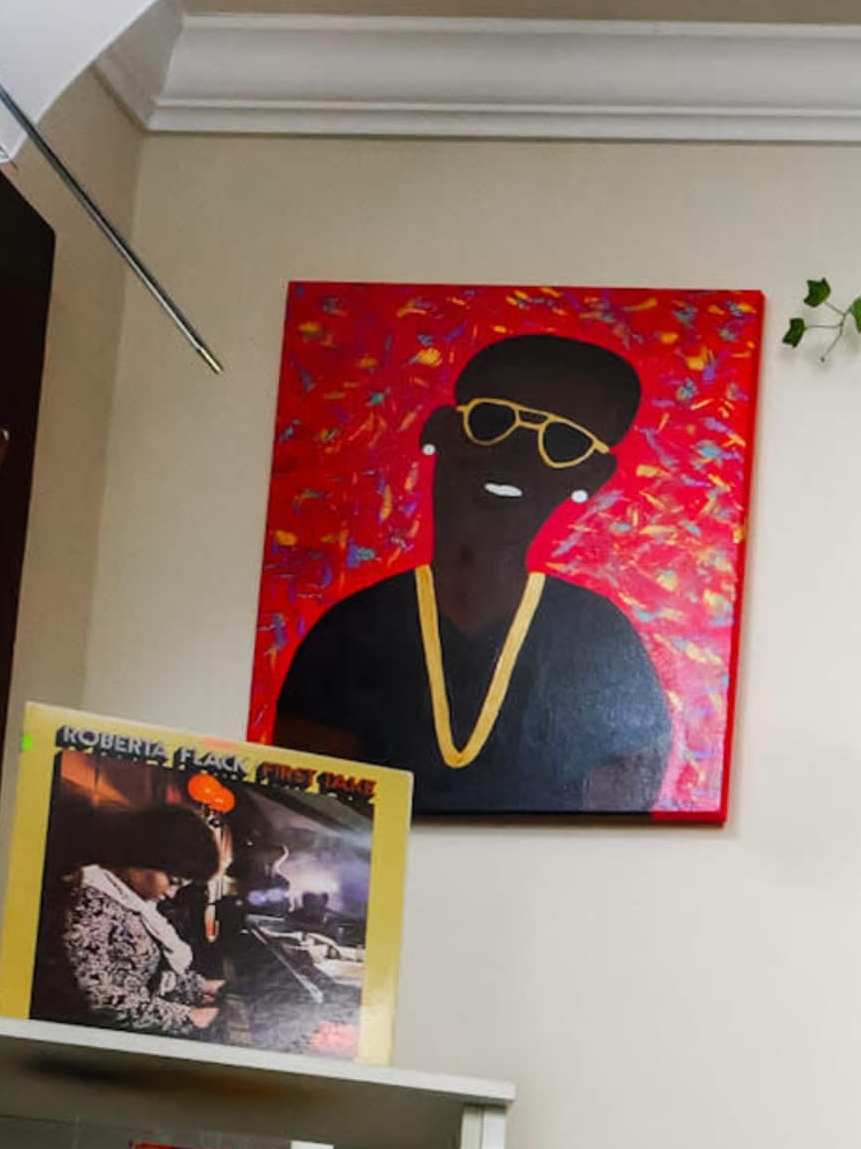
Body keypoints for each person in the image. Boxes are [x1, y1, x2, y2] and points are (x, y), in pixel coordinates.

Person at [272, 330, 675, 815]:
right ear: (440, 431)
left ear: (589, 477)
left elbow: (618, 820)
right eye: (493, 421)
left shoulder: (598, 638)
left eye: (561, 442)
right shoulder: (349, 635)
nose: (517, 454)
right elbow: (311, 821)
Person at [32, 796, 225, 1040]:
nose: (171, 893)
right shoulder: (88, 902)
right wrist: (189, 1016)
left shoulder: (131, 901)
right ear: (144, 856)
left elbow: (143, 971)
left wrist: (200, 987)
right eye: (173, 881)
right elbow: (95, 996)